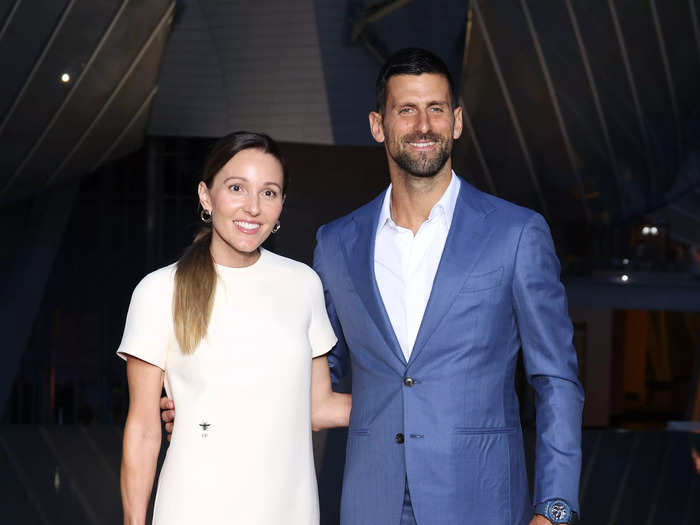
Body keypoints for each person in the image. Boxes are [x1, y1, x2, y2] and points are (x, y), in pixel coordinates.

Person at [163, 48, 583, 525]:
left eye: (436, 109)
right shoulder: (339, 243)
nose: (423, 125)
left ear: (457, 121)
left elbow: (557, 381)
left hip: (482, 499)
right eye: (406, 110)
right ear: (378, 125)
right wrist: (210, 406)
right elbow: (313, 373)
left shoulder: (517, 233)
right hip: (371, 500)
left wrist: (555, 509)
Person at [119, 131, 350, 525]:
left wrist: (412, 405)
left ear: (281, 206)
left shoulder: (303, 284)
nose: (253, 207)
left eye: (269, 192)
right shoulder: (159, 291)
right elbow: (142, 430)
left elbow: (320, 406)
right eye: (237, 187)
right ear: (206, 197)